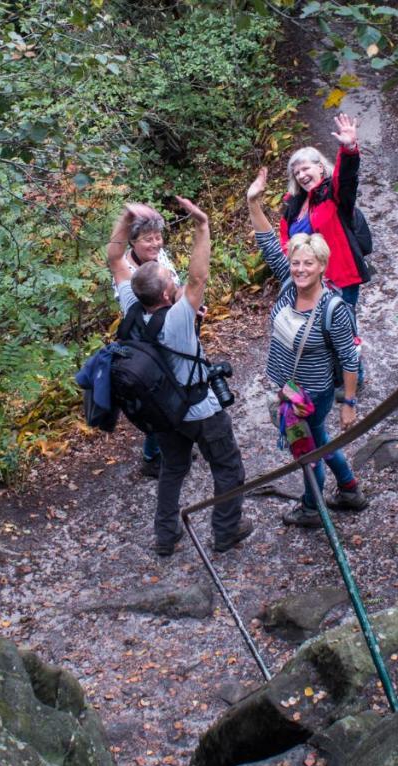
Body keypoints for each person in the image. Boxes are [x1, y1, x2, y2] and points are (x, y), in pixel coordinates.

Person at [106, 200, 253, 555]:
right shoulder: (178, 319)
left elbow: (114, 258)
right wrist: (202, 226)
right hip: (200, 409)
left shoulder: (131, 304)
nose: (176, 278)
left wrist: (126, 220)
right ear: (168, 294)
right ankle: (226, 530)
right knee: (228, 468)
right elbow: (199, 276)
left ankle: (165, 535)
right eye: (172, 279)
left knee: (173, 469)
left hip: (164, 413)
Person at [248, 167, 369, 527]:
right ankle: (349, 488)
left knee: (308, 452)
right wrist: (253, 202)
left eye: (308, 264)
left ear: (322, 267)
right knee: (320, 439)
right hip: (290, 387)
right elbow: (269, 242)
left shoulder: (334, 309)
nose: (300, 269)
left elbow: (349, 357)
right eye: (296, 263)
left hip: (312, 393)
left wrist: (349, 405)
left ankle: (312, 508)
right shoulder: (288, 286)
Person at [109, 207, 180, 478]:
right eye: (148, 239)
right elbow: (113, 257)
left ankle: (173, 445)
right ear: (133, 240)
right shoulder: (126, 269)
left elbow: (176, 285)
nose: (156, 243)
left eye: (158, 236)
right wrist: (126, 218)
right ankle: (152, 457)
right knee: (155, 398)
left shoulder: (160, 257)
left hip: (172, 336)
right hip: (145, 346)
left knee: (176, 392)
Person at [280, 114, 370, 309]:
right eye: (297, 173)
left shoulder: (333, 195)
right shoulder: (293, 206)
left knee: (339, 332)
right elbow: (284, 241)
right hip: (307, 282)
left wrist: (349, 149)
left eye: (305, 169)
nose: (301, 175)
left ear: (320, 168)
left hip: (339, 281)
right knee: (314, 336)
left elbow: (346, 177)